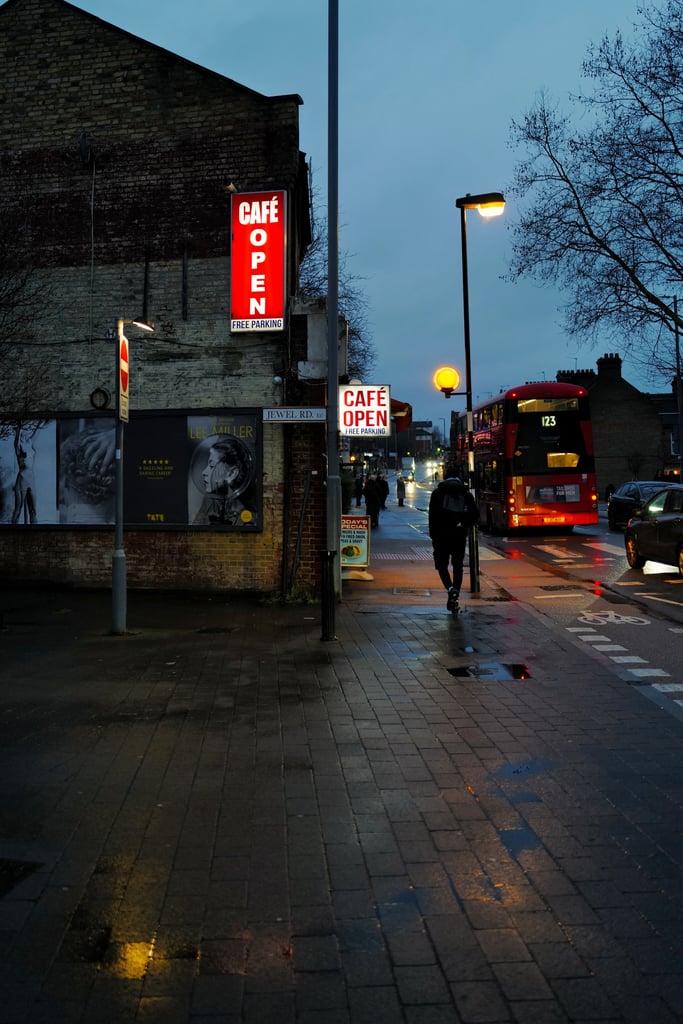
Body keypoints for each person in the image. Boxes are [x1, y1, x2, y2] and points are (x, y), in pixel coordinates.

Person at [428, 465, 479, 613]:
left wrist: (433, 536)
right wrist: (463, 524)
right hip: (459, 535)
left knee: (442, 565)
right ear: (458, 476)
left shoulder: (437, 493)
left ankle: (450, 589)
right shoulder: (466, 494)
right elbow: (475, 515)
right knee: (458, 566)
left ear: (445, 476)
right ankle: (455, 595)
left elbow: (432, 517)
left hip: (441, 536)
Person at [193, 436, 255, 525]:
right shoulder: (209, 500)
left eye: (211, 466)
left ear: (231, 474)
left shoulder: (246, 515)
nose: (204, 472)